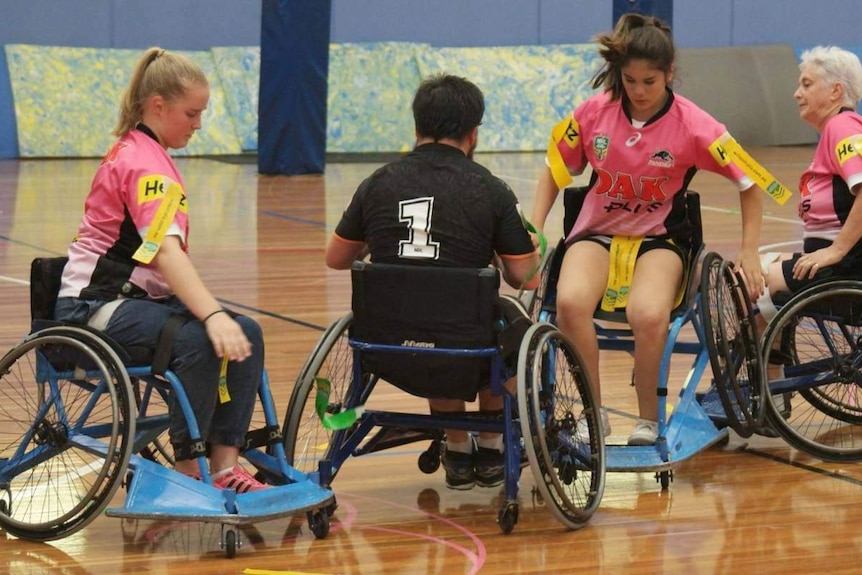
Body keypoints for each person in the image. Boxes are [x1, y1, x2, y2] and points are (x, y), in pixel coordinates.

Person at [529, 13, 764, 446]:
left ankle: (648, 420)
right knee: (570, 303)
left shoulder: (696, 125)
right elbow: (553, 168)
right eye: (630, 80)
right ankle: (592, 414)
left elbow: (752, 183)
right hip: (598, 231)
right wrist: (535, 227)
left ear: (669, 74)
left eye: (649, 82)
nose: (637, 91)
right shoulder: (593, 112)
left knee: (649, 314)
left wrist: (750, 250)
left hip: (660, 238)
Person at [54, 47, 268, 493]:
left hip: (138, 301)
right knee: (199, 337)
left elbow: (164, 257)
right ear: (158, 106)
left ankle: (225, 465)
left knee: (245, 332)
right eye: (192, 113)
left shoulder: (149, 152)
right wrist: (212, 314)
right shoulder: (143, 162)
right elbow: (167, 255)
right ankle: (190, 469)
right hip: (95, 305)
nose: (199, 124)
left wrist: (222, 319)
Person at [325, 73, 540, 490]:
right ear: (473, 133)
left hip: (387, 346)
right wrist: (528, 247)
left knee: (425, 310)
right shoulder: (491, 190)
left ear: (416, 127)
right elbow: (524, 278)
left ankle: (458, 450)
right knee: (499, 320)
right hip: (468, 345)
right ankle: (493, 444)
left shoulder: (377, 183)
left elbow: (336, 258)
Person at [757, 46, 862, 321]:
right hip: (838, 261)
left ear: (835, 91)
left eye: (807, 84)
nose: (796, 93)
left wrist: (837, 250)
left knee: (748, 280)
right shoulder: (835, 131)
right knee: (755, 268)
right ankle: (770, 362)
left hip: (848, 266)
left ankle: (764, 361)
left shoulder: (843, 127)